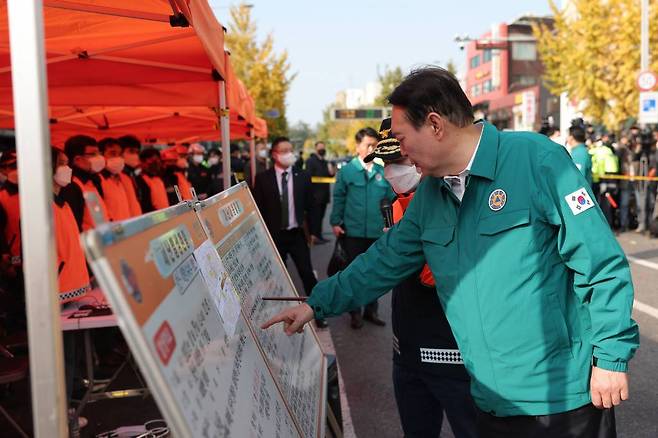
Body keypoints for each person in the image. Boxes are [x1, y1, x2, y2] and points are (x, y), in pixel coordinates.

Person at [263, 67, 639, 438]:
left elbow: (601, 263)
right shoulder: (431, 194)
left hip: (560, 397)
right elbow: (384, 260)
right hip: (490, 398)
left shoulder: (537, 160)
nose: (400, 152)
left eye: (401, 137)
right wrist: (316, 303)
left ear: (435, 124)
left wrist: (610, 357)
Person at [367, 118, 477, 438]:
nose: (392, 172)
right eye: (386, 164)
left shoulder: (454, 199)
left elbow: (435, 274)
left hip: (452, 356)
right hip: (407, 351)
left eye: (399, 161)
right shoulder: (396, 202)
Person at [252, 136, 327, 329]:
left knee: (307, 274)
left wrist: (314, 231)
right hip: (274, 236)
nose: (289, 154)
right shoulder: (262, 179)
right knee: (275, 276)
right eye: (284, 151)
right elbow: (257, 210)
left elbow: (312, 206)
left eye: (290, 150)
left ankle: (317, 312)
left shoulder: (302, 176)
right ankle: (274, 314)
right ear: (275, 154)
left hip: (296, 235)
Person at [330, 127, 395, 329]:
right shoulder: (348, 171)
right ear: (357, 146)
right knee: (354, 274)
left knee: (374, 274)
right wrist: (335, 222)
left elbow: (392, 199)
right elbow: (339, 197)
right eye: (368, 145)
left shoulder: (382, 172)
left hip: (376, 232)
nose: (371, 149)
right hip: (353, 232)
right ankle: (355, 313)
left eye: (375, 146)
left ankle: (371, 311)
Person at [64, 135, 109, 230]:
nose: (99, 158)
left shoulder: (93, 181)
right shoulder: (72, 185)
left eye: (98, 153)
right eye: (93, 154)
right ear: (77, 159)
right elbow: (75, 224)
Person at [98, 137, 142, 220]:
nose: (117, 157)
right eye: (112, 153)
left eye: (120, 154)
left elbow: (132, 206)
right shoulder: (97, 180)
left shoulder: (124, 178)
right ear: (101, 155)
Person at [305, 141, 334, 244]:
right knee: (314, 218)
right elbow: (308, 177)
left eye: (323, 147)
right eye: (320, 147)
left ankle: (319, 236)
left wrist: (331, 170)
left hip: (324, 196)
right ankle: (313, 237)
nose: (322, 149)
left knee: (320, 217)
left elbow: (330, 176)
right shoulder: (310, 161)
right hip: (315, 196)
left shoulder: (326, 162)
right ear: (316, 149)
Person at [135, 148, 169, 213]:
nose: (155, 164)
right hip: (154, 217)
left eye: (157, 160)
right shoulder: (139, 180)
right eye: (151, 161)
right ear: (142, 162)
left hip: (166, 214)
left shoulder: (160, 178)